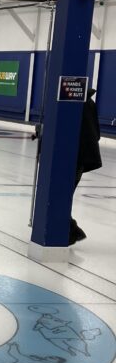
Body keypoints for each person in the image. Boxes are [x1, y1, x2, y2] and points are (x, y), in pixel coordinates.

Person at [70, 88, 102, 245]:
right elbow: (97, 133)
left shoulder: (69, 105)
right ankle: (72, 230)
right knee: (65, 194)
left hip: (74, 156)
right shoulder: (89, 103)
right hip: (83, 156)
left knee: (62, 194)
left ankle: (72, 231)